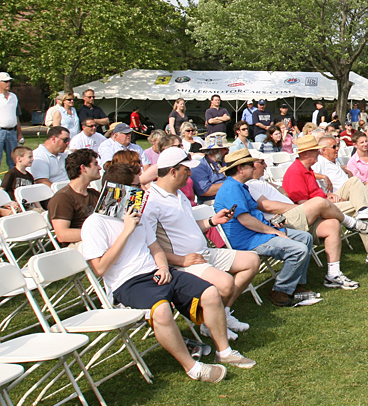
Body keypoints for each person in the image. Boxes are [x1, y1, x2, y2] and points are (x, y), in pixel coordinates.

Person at [81, 168, 255, 382]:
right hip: (126, 283)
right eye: (136, 186)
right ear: (118, 191)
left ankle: (225, 352)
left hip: (157, 272)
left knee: (210, 292)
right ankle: (193, 367)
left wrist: (163, 267)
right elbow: (99, 268)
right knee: (161, 310)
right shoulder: (95, 223)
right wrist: (126, 231)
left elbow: (154, 247)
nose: (142, 190)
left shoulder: (137, 214)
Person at [143, 146, 257, 335]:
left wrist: (211, 221)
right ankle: (211, 321)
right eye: (186, 169)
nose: (189, 175)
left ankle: (222, 313)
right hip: (184, 261)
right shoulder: (151, 202)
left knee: (251, 261)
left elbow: (186, 225)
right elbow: (148, 244)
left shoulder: (178, 194)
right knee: (226, 283)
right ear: (173, 172)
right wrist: (180, 261)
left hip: (202, 254)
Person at [213, 151, 315, 307]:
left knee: (305, 237)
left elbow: (252, 215)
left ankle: (294, 284)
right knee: (298, 249)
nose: (254, 167)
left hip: (258, 232)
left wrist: (273, 224)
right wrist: (273, 231)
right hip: (248, 240)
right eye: (250, 165)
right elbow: (245, 220)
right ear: (240, 168)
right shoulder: (231, 189)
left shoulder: (240, 186)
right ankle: (280, 290)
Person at [281, 136, 368, 276]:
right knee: (358, 206)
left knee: (354, 181)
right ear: (305, 153)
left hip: (325, 203)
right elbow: (303, 204)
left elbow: (314, 194)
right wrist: (326, 203)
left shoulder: (308, 169)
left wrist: (327, 196)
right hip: (316, 212)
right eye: (315, 151)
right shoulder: (296, 172)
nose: (318, 153)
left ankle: (364, 211)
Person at [48, 148, 102, 247]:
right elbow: (62, 235)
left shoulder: (94, 194)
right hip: (80, 245)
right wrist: (99, 233)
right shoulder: (62, 198)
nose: (99, 168)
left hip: (99, 240)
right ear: (83, 168)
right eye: (95, 164)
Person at [191, 133, 230, 202]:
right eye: (225, 148)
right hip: (212, 202)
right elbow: (205, 191)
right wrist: (232, 183)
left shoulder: (223, 162)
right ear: (215, 150)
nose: (228, 150)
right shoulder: (199, 167)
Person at [0, 72, 22, 172]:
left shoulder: (14, 97)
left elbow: (16, 116)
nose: (8, 83)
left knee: (14, 160)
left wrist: (20, 134)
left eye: (9, 81)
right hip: (0, 131)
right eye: (5, 81)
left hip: (12, 132)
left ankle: (13, 183)